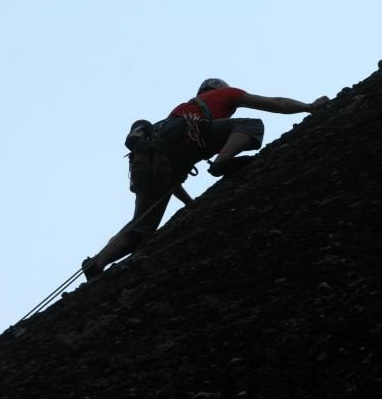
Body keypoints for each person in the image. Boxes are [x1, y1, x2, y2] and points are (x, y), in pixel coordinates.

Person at [82, 78, 329, 280]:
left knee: (141, 225)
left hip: (152, 161)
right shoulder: (223, 94)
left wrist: (190, 204)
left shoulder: (174, 115)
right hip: (189, 140)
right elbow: (274, 103)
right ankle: (223, 159)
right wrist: (309, 107)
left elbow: (172, 179)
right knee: (251, 125)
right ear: (217, 88)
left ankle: (98, 262)